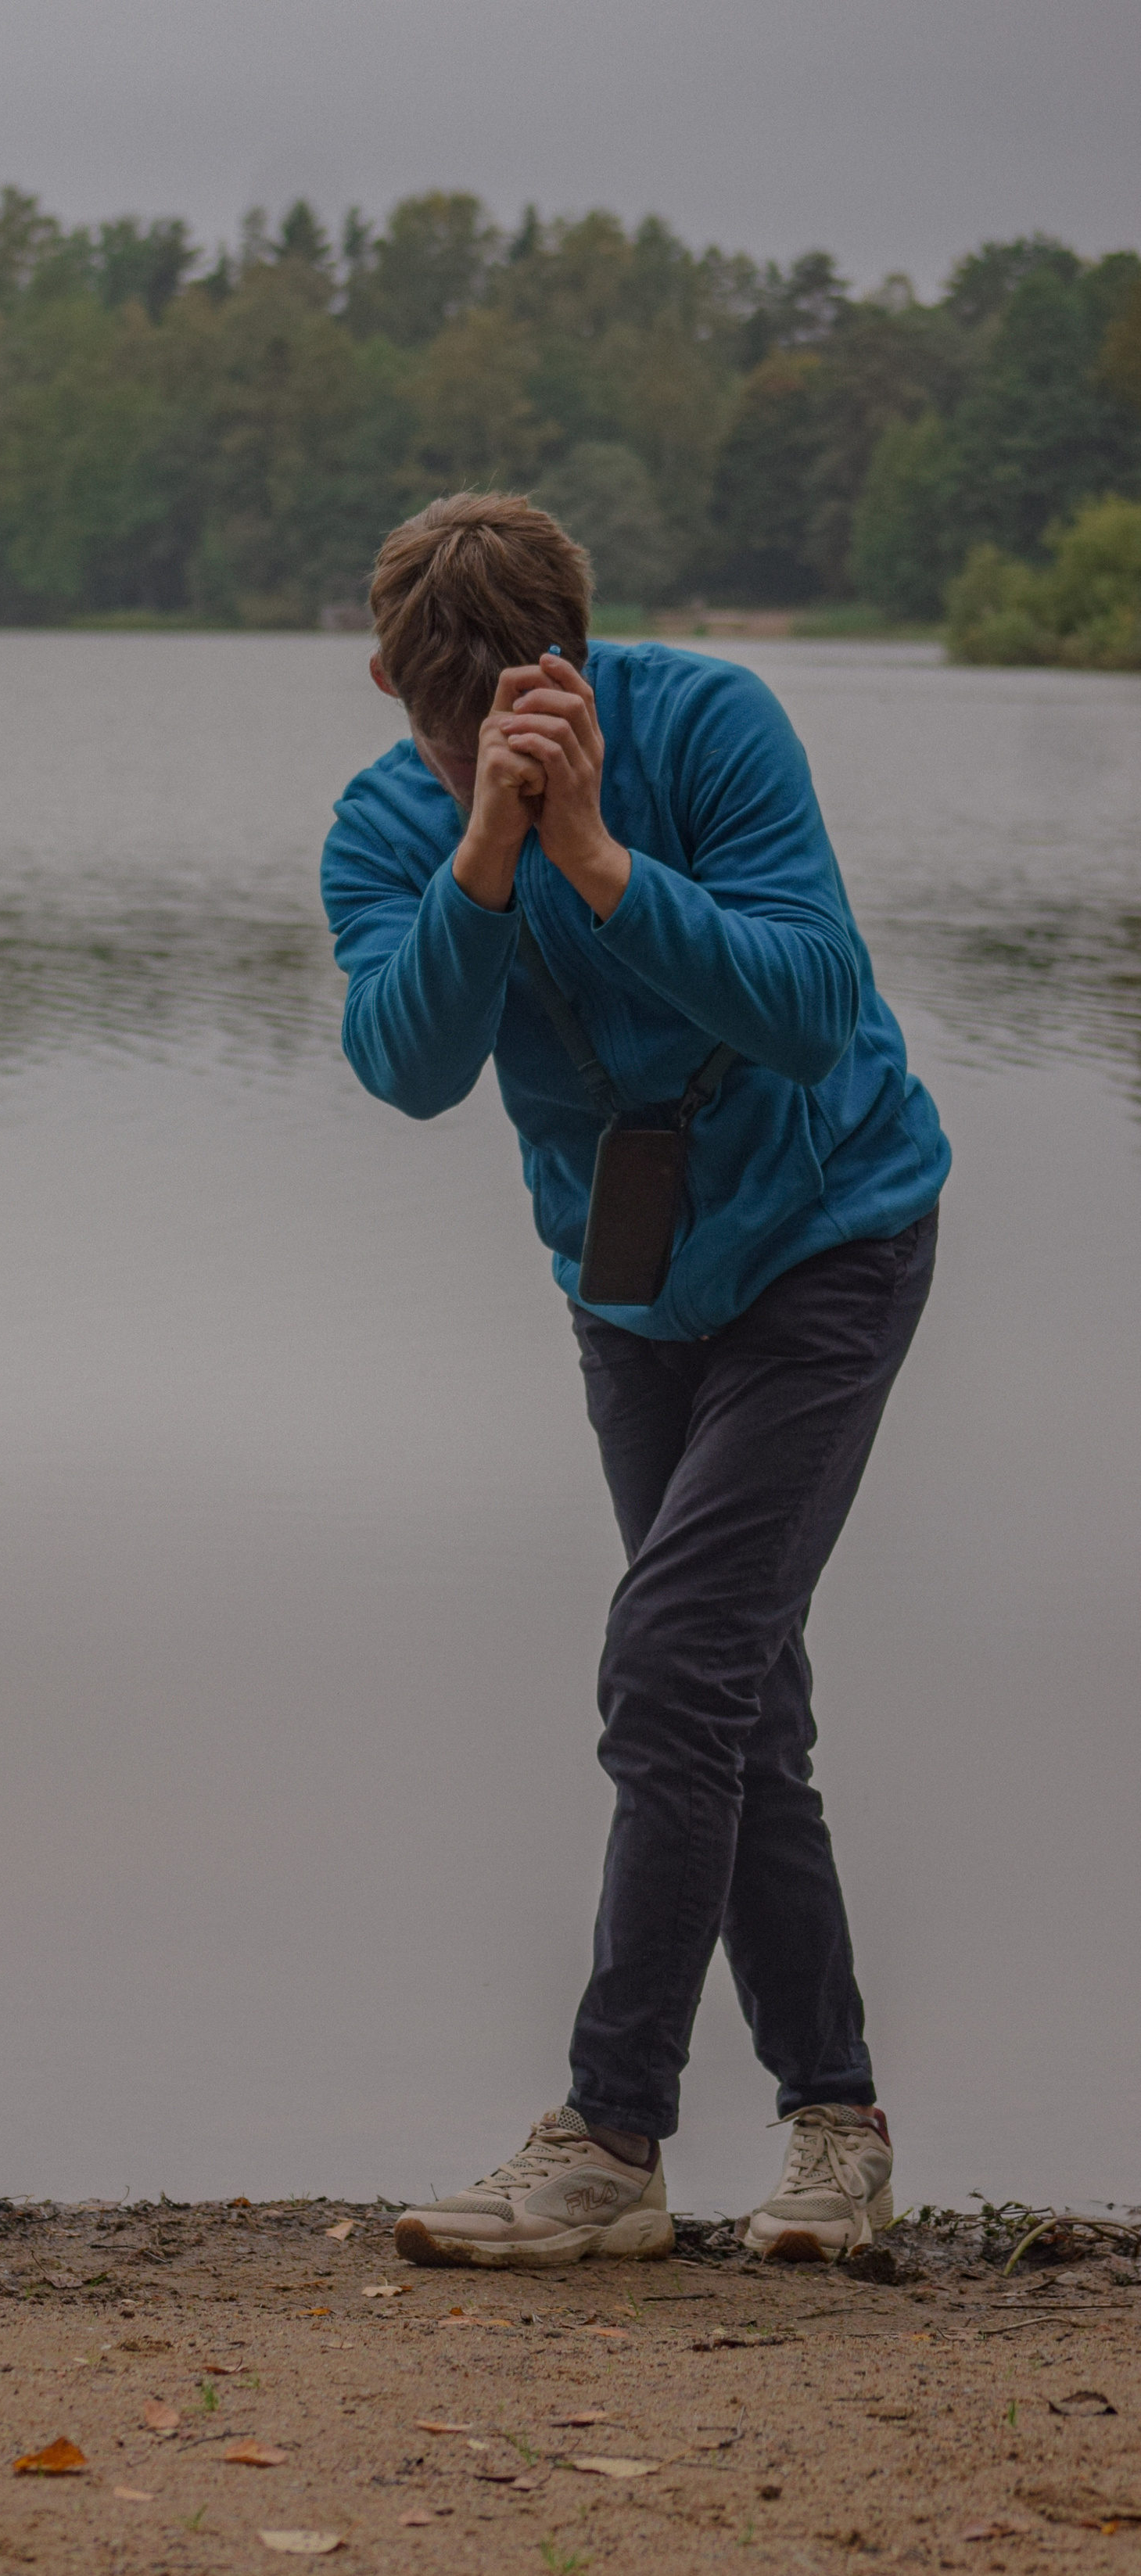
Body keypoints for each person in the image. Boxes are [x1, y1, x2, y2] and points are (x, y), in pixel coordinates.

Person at [322, 491, 949, 2269]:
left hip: (834, 1239)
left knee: (675, 1662)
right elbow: (407, 1066)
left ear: (575, 667)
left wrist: (600, 855)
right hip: (632, 1295)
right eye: (445, 738)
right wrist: (483, 863)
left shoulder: (710, 728)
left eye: (513, 724)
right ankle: (834, 2130)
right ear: (387, 689)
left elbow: (814, 1006)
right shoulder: (386, 824)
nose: (483, 763)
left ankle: (606, 2141)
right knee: (734, 1700)